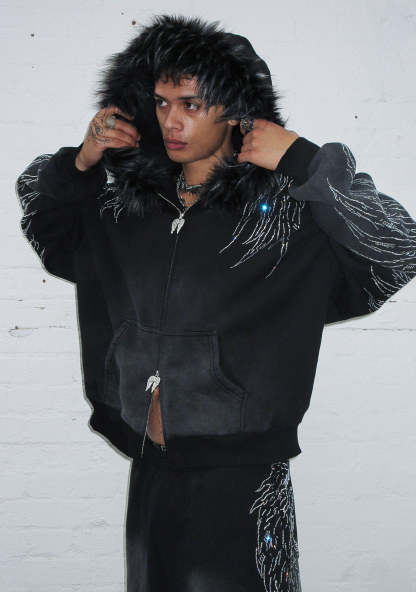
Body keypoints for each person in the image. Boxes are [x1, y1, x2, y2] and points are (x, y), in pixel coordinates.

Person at [15, 13, 416, 592]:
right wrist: (81, 162)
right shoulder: (129, 207)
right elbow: (50, 231)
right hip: (150, 464)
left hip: (243, 475)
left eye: (192, 104)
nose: (171, 121)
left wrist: (304, 162)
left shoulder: (282, 213)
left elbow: (398, 249)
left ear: (234, 110)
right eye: (161, 102)